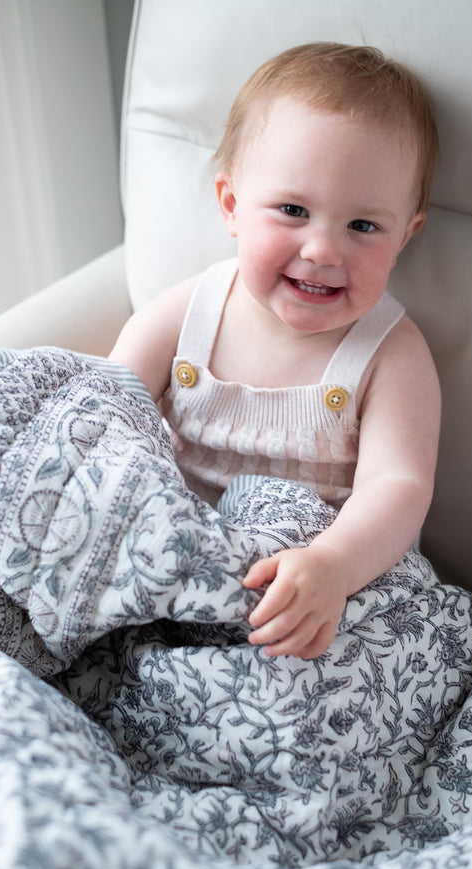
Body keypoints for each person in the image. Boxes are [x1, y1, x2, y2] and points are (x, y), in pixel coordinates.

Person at [109, 42, 441, 661]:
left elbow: (398, 485)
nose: (322, 250)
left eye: (363, 226)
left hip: (316, 592)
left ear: (406, 234)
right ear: (232, 205)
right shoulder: (192, 310)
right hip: (176, 571)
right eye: (293, 210)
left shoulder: (390, 355)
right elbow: (104, 403)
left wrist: (333, 566)